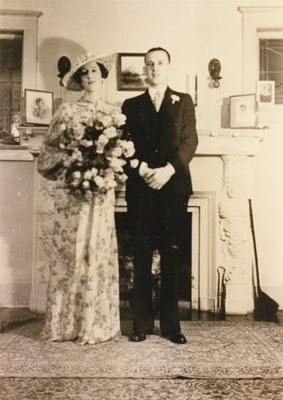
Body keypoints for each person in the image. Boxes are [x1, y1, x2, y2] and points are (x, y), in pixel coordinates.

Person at [37, 52, 121, 345]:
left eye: (95, 71)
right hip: (73, 196)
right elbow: (46, 155)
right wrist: (74, 162)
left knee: (96, 252)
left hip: (101, 195)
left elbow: (121, 155)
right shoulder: (67, 112)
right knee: (72, 253)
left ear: (102, 74)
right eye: (84, 73)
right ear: (78, 80)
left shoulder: (115, 113)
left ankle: (96, 324)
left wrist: (107, 168)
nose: (90, 77)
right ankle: (66, 325)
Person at [122, 47, 198, 344]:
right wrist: (141, 169)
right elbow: (123, 143)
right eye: (150, 64)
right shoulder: (130, 104)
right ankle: (141, 324)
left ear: (169, 66)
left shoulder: (184, 101)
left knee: (171, 255)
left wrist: (167, 170)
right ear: (145, 69)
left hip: (173, 187)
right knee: (140, 255)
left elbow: (190, 141)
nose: (154, 68)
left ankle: (171, 325)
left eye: (160, 63)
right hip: (140, 188)